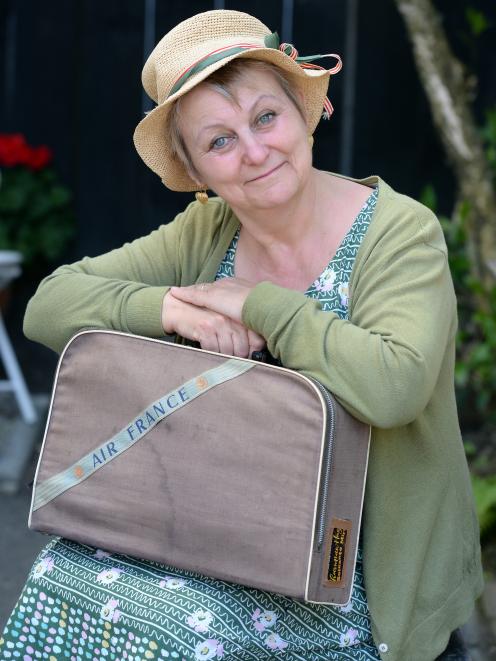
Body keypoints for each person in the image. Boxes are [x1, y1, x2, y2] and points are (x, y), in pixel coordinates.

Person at [0, 9, 483, 661]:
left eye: (266, 117)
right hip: (221, 531)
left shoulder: (399, 231)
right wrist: (176, 308)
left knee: (184, 629)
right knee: (59, 577)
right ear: (196, 170)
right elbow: (49, 306)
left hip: (359, 571)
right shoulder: (208, 229)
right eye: (220, 141)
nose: (255, 151)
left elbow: (393, 386)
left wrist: (258, 303)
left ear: (304, 113)